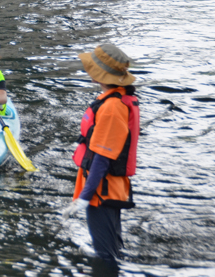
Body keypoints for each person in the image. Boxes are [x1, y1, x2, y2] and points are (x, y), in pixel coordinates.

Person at [61, 43, 140, 271]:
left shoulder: (112, 107)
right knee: (113, 248)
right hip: (105, 187)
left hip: (102, 191)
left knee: (106, 257)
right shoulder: (113, 98)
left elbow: (102, 158)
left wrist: (85, 197)